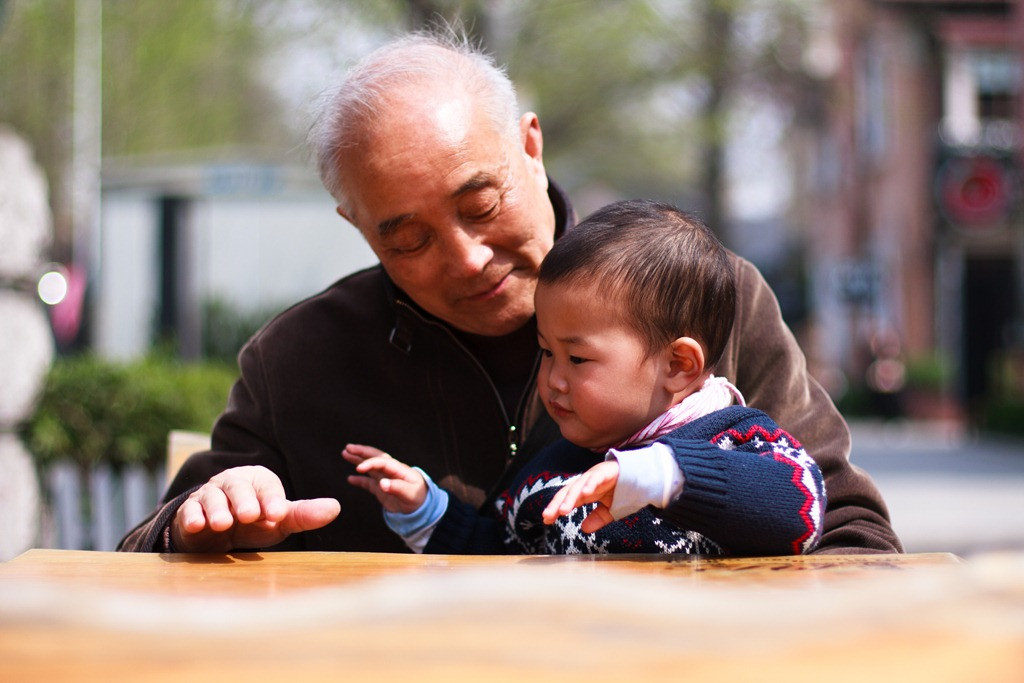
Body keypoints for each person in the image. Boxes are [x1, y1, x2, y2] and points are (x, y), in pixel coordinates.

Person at [118, 29, 901, 555]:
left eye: (480, 204)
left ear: (530, 146)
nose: (464, 258)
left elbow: (853, 533)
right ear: (356, 226)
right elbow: (145, 549)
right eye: (408, 238)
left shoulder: (705, 298)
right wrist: (206, 520)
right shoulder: (298, 361)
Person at [344, 200, 826, 556]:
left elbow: (800, 508)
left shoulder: (737, 441)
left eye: (577, 360)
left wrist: (659, 474)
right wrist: (428, 512)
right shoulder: (554, 470)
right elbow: (498, 550)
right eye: (546, 353)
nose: (553, 378)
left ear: (678, 365)